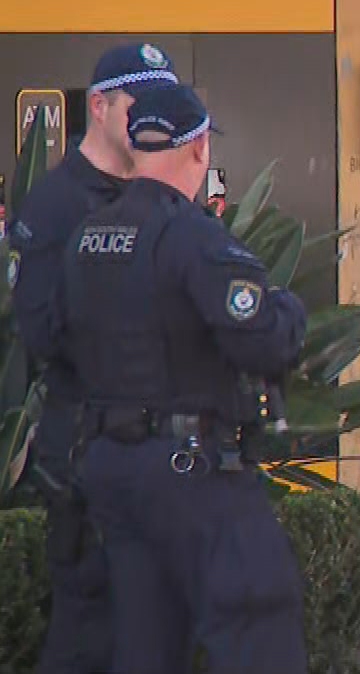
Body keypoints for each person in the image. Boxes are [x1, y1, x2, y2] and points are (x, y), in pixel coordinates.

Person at [59, 82, 307, 674]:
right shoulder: (193, 237)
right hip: (191, 471)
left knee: (143, 648)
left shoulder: (88, 238)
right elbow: (263, 339)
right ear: (198, 148)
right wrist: (287, 308)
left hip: (111, 468)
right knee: (258, 626)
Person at [9, 42, 178, 674]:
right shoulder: (57, 204)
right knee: (91, 635)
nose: (154, 119)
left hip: (151, 455)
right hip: (87, 454)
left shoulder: (159, 199)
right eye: (141, 102)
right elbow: (44, 332)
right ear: (100, 107)